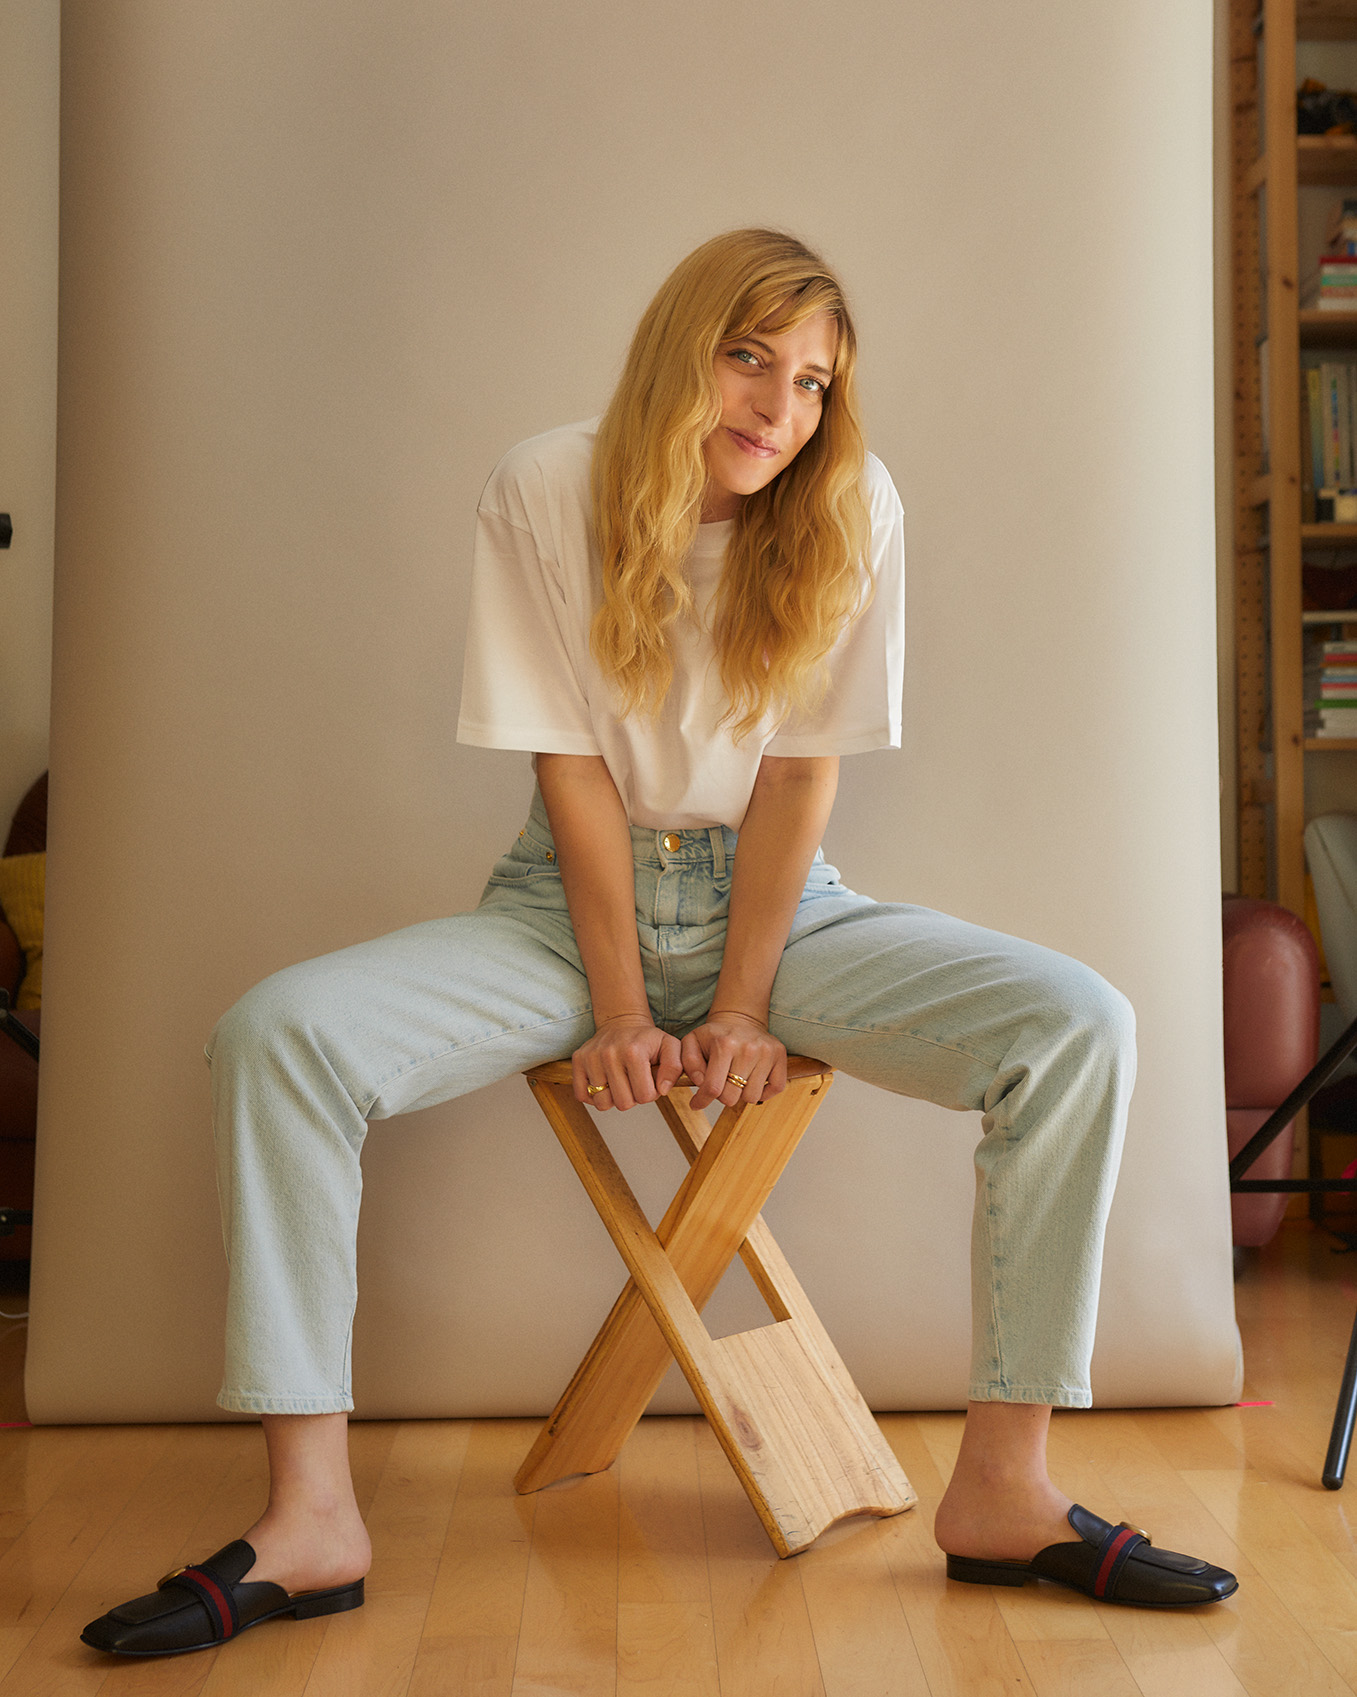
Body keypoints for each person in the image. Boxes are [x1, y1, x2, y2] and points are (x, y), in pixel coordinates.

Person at [82, 228, 1236, 1658]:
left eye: (812, 382)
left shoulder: (853, 501)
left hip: (783, 902)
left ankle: (1007, 1487)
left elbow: (798, 776)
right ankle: (309, 1516)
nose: (779, 407)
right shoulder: (543, 486)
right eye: (748, 357)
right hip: (562, 912)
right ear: (679, 348)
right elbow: (570, 772)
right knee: (274, 1037)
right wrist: (623, 1007)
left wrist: (741, 1004)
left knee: (1078, 1023)